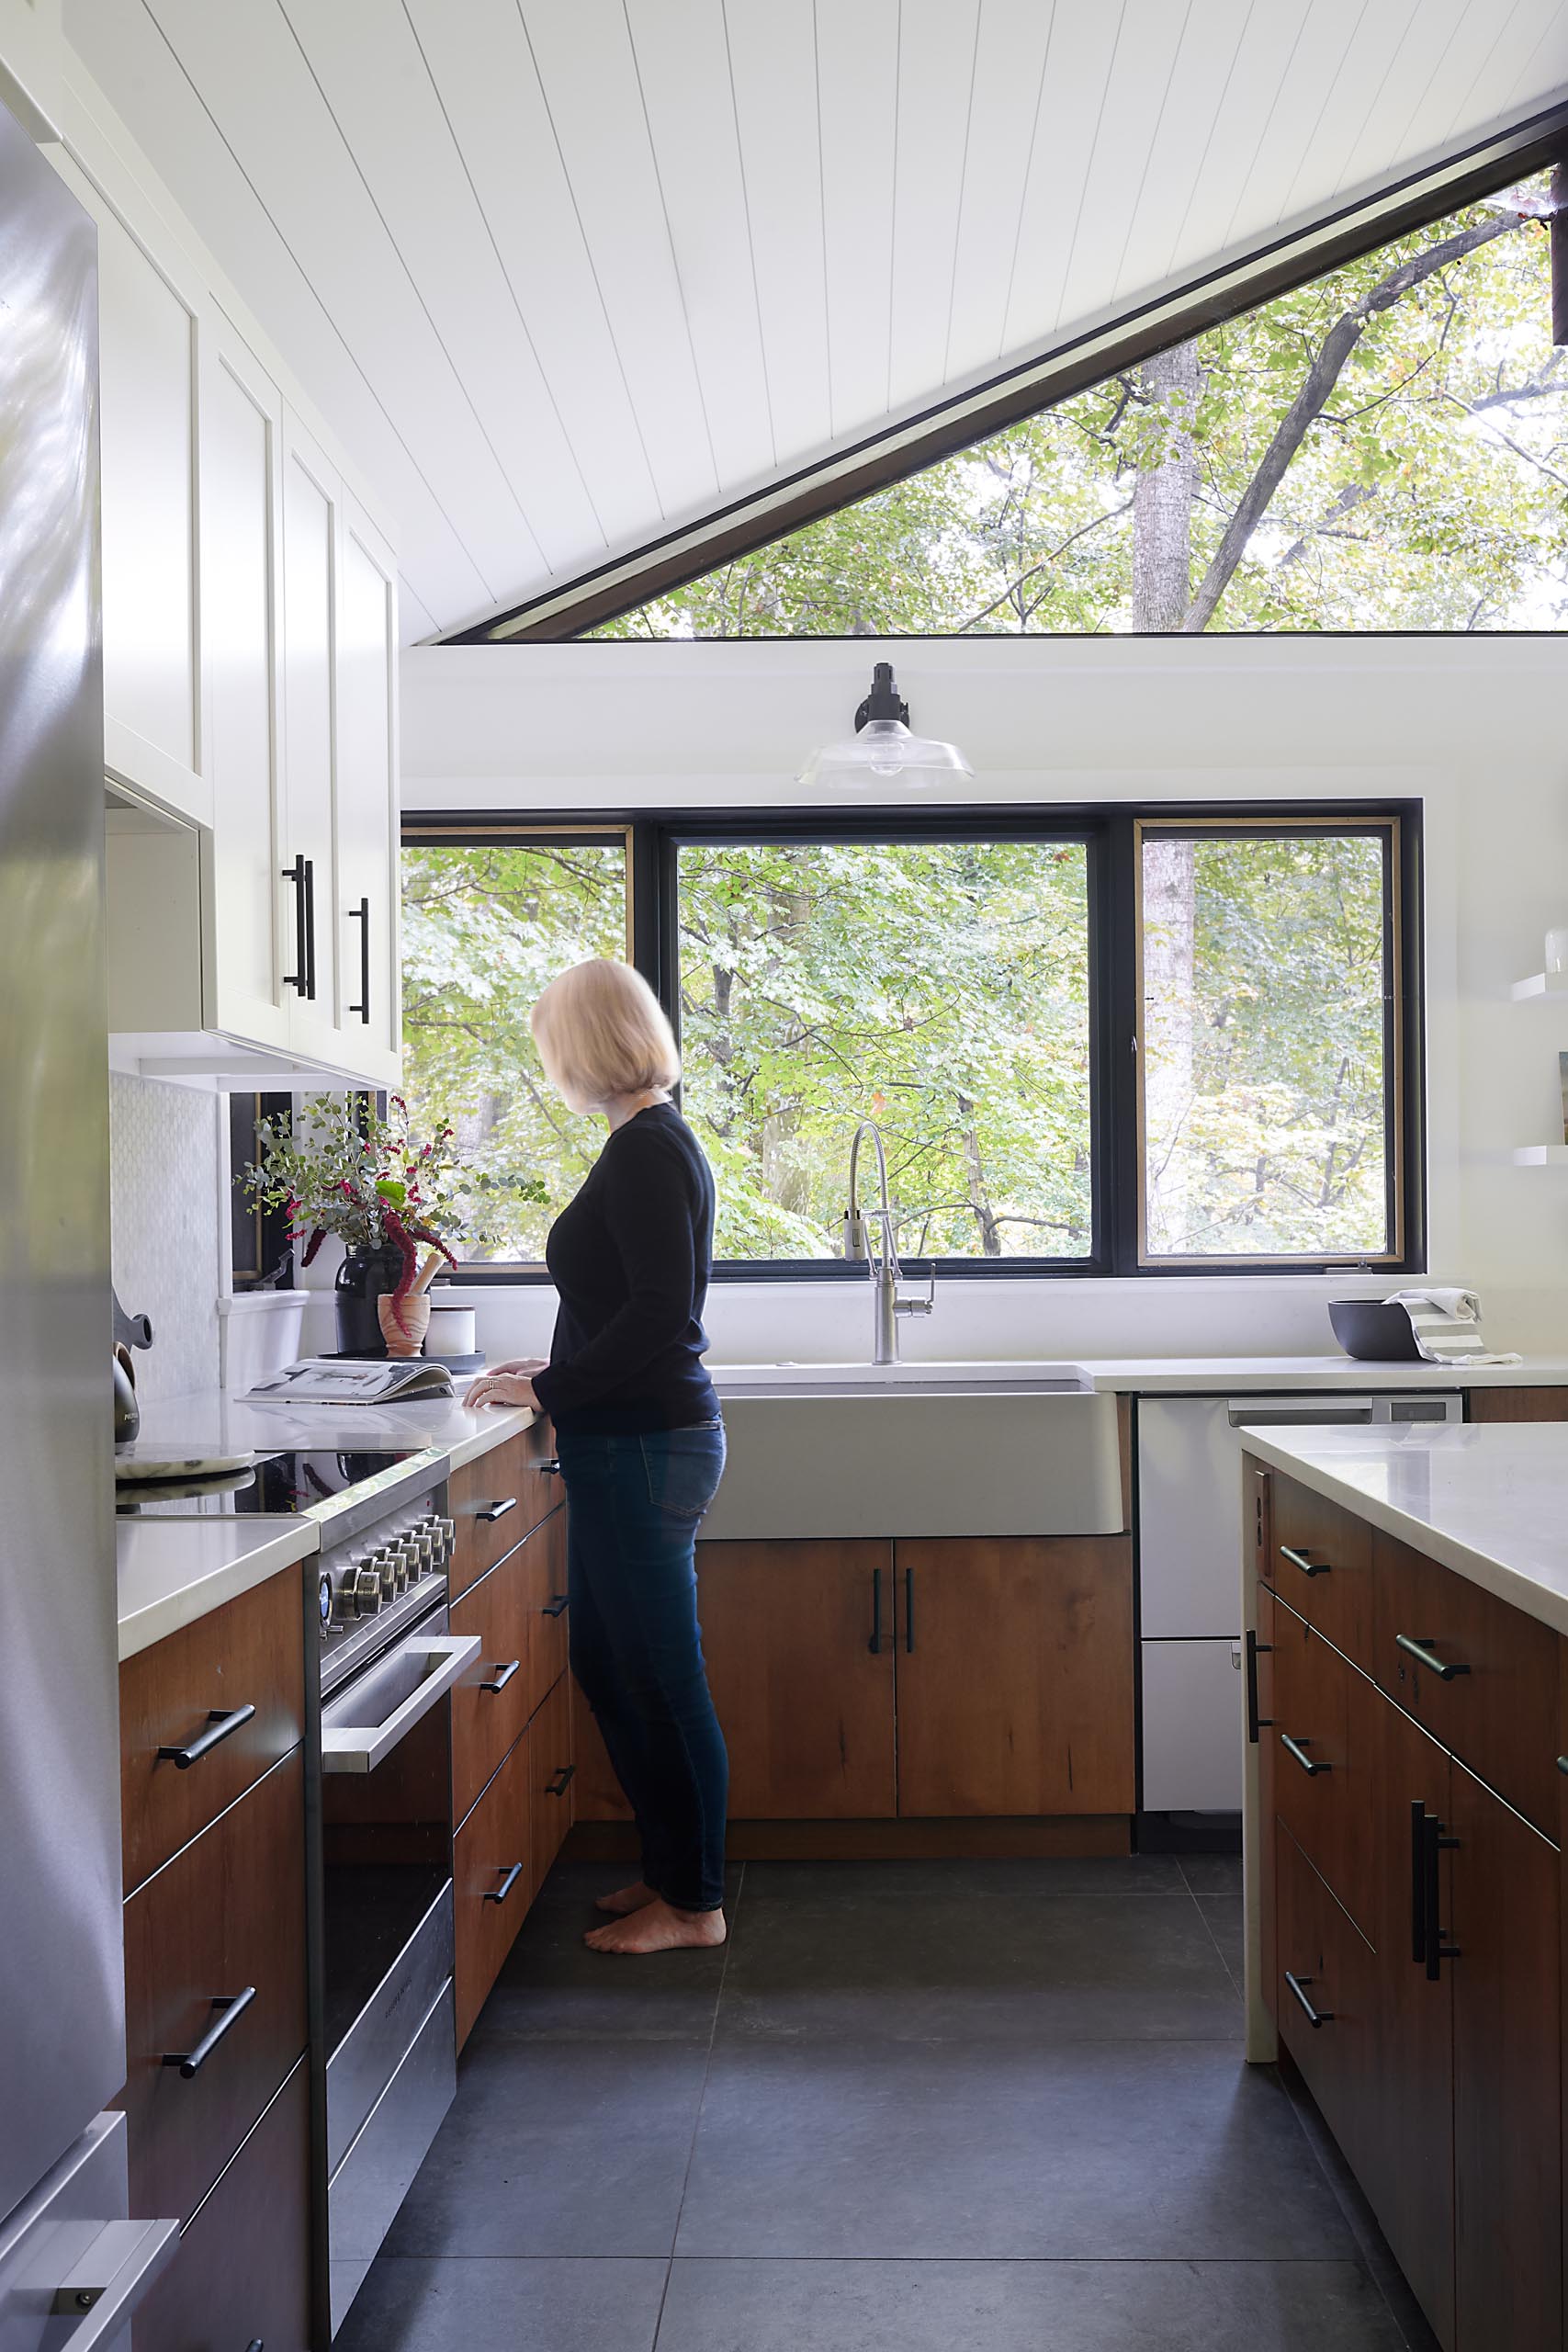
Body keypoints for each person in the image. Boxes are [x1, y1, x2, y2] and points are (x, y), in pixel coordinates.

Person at [468, 959, 728, 1957]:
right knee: (610, 1664)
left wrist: (553, 1390)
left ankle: (696, 1903)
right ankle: (671, 1873)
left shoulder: (648, 1150)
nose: (549, 1065)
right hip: (625, 1442)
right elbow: (626, 1301)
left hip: (646, 1448)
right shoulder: (642, 1141)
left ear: (583, 1045)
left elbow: (665, 1315)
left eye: (550, 1045)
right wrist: (558, 1362)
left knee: (662, 1676)